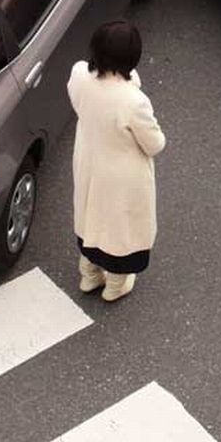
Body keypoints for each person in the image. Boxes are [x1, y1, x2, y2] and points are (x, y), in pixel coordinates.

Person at [67, 21, 165, 302]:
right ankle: (115, 285)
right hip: (122, 175)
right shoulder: (133, 101)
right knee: (120, 229)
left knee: (90, 217)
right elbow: (155, 144)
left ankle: (89, 274)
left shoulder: (78, 75)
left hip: (88, 160)